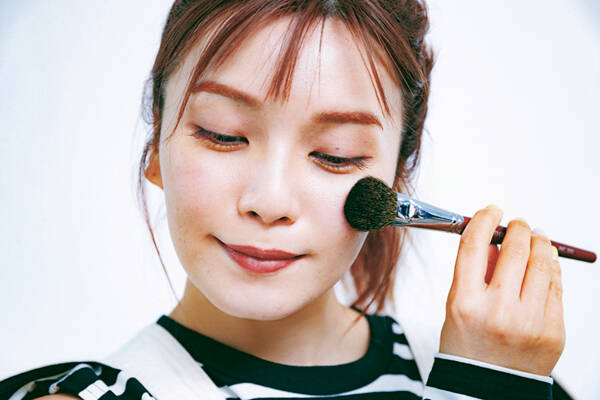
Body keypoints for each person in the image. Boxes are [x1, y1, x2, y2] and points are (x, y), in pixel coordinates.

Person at [0, 1, 567, 399]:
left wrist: (492, 378)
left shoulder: (496, 365)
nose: (269, 201)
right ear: (155, 147)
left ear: (396, 176)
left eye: (336, 155)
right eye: (223, 134)